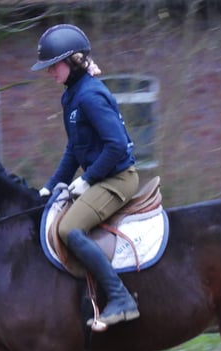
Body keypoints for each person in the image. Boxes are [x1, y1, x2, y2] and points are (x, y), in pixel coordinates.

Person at [31, 23, 140, 329]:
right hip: (101, 177)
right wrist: (49, 187)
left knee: (69, 229)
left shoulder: (90, 96)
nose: (50, 72)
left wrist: (89, 178)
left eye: (54, 66)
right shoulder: (72, 97)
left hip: (117, 178)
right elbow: (74, 150)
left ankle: (121, 298)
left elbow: (117, 146)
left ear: (74, 62)